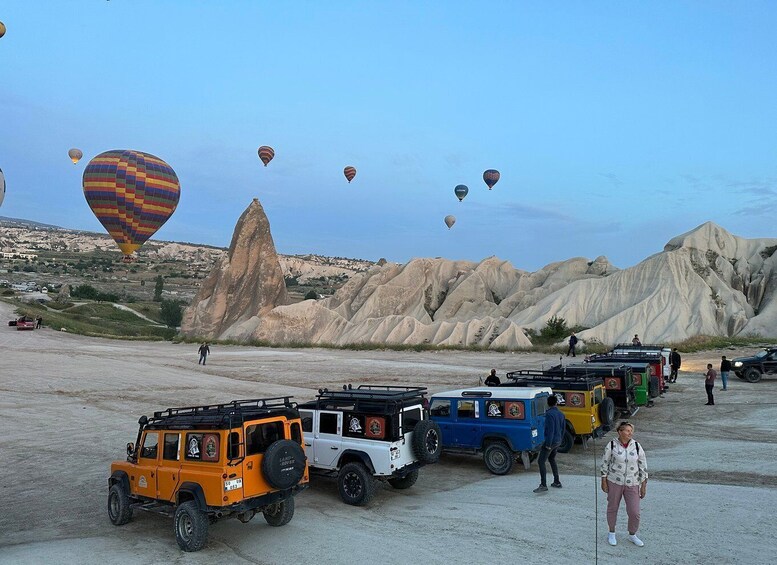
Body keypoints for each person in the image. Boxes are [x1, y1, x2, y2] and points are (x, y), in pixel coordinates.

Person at [600, 421, 648, 547]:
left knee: (634, 512)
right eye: (627, 431)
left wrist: (643, 485)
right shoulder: (611, 445)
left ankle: (632, 534)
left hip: (633, 483)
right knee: (612, 508)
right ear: (619, 432)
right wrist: (603, 480)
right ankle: (611, 532)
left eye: (631, 431)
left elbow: (643, 466)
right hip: (614, 481)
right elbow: (604, 463)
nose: (630, 433)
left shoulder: (637, 446)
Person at [534, 394, 566, 493]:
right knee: (552, 458)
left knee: (541, 461)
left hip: (550, 442)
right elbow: (563, 429)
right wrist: (559, 440)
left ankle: (543, 485)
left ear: (548, 404)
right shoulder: (561, 414)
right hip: (558, 441)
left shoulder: (549, 414)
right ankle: (557, 481)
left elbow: (550, 430)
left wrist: (548, 444)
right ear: (556, 403)